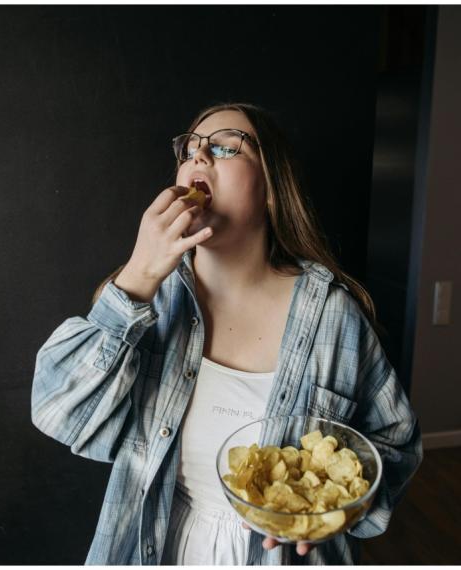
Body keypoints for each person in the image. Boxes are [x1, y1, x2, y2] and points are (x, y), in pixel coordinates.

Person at [31, 102, 423, 565]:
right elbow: (57, 413)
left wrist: (332, 512)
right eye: (189, 149)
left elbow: (395, 444)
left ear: (271, 189)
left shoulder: (333, 316)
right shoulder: (146, 299)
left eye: (224, 147)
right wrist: (138, 274)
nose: (199, 158)